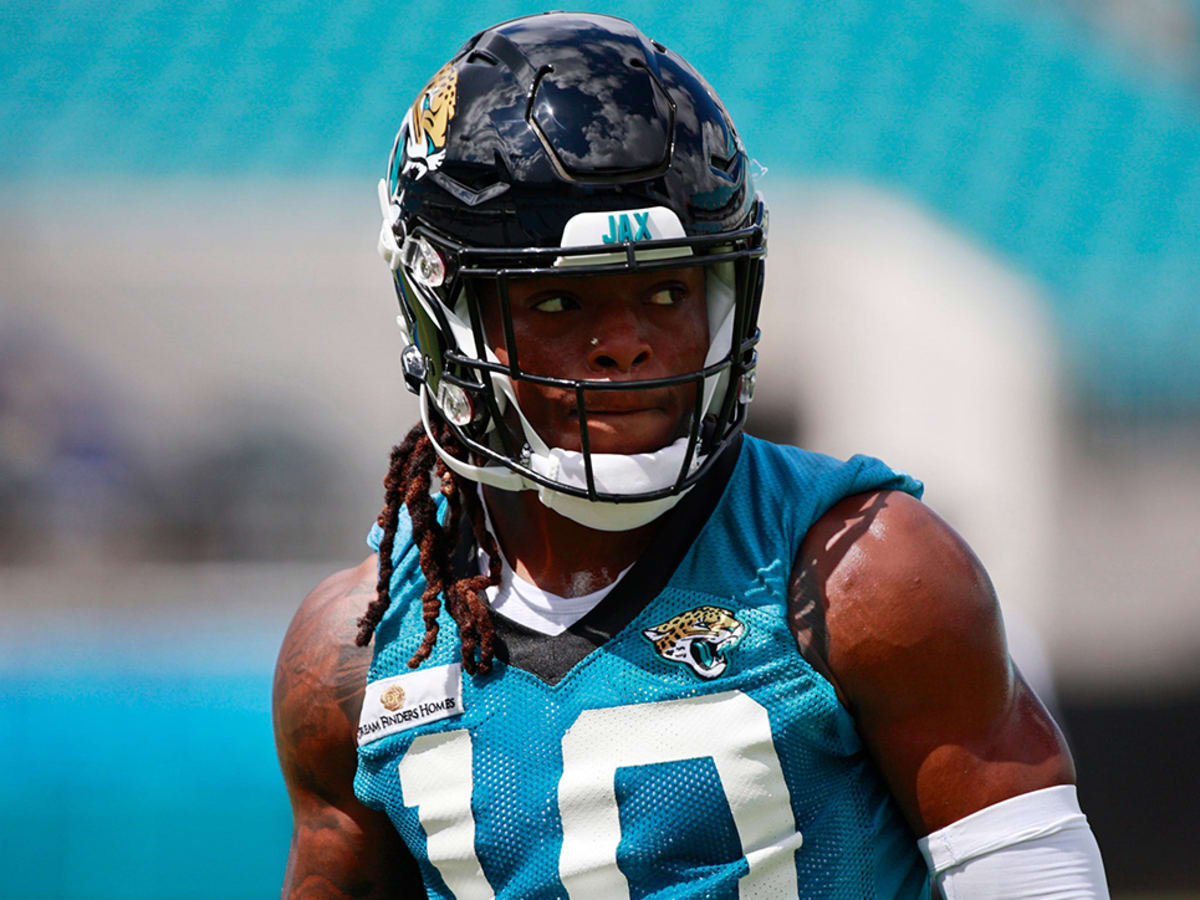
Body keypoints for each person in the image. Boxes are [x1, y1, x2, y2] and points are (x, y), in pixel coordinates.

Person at [273, 12, 1108, 899]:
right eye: (562, 303)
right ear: (442, 316)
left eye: (668, 289)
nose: (628, 344)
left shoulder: (865, 576)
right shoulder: (361, 654)